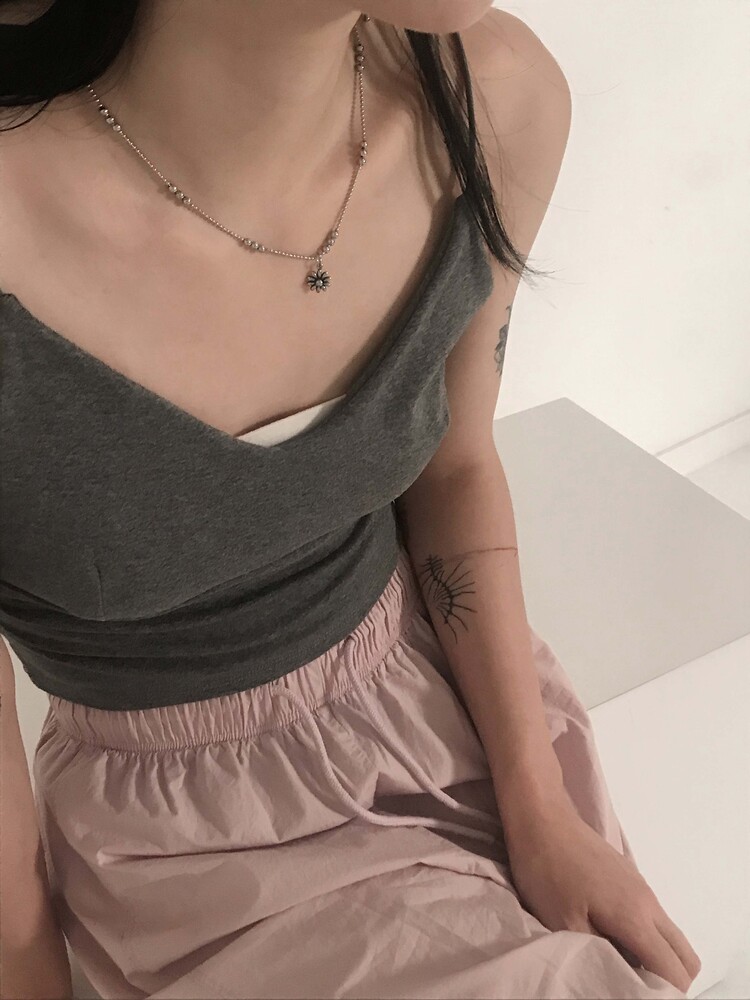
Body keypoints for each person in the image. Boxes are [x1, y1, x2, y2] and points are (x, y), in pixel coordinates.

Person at [0, 2, 702, 998]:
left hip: (449, 709)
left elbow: (456, 470)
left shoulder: (490, 98)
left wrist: (541, 807)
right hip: (182, 843)